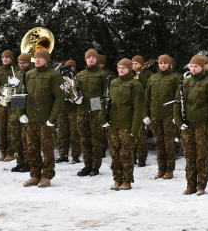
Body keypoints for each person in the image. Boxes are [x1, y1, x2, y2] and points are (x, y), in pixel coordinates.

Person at [175, 54, 208, 195]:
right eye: (191, 66)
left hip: (202, 125)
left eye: (196, 66)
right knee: (189, 157)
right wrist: (179, 122)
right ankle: (191, 185)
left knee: (201, 157)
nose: (193, 69)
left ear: (202, 67)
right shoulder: (185, 82)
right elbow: (177, 104)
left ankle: (201, 185)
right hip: (187, 125)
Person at [21, 48, 64, 188]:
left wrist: (52, 118)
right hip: (31, 118)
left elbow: (59, 98)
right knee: (32, 148)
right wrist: (20, 113)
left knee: (47, 148)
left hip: (46, 119)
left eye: (41, 58)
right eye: (36, 57)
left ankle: (46, 175)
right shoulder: (28, 74)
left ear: (47, 60)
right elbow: (21, 95)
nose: (37, 60)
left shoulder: (53, 75)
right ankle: (34, 174)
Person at [103, 58, 145, 190]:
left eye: (124, 68)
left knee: (126, 154)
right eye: (119, 67)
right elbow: (104, 100)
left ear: (129, 69)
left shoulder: (135, 84)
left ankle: (127, 180)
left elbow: (139, 108)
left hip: (127, 124)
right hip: (112, 124)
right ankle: (117, 179)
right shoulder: (113, 82)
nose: (121, 70)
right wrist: (102, 118)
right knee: (115, 154)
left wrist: (135, 128)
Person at [144, 55, 181, 180]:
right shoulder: (152, 79)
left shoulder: (175, 78)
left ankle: (169, 169)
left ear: (170, 64)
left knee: (169, 143)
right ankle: (161, 169)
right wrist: (146, 114)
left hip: (169, 115)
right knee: (159, 143)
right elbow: (147, 98)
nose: (163, 65)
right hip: (155, 115)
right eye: (160, 63)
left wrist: (177, 115)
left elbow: (178, 98)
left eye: (165, 63)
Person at [75, 49, 109, 177]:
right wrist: (76, 98)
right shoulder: (80, 75)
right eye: (88, 57)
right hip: (82, 110)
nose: (91, 59)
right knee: (85, 140)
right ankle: (87, 165)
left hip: (96, 111)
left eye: (93, 57)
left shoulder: (103, 74)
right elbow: (74, 90)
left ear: (97, 59)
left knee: (96, 140)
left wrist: (102, 107)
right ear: (85, 59)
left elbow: (106, 93)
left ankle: (95, 166)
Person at [8, 53, 32, 172]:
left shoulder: (31, 74)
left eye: (24, 63)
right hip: (16, 104)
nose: (22, 65)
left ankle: (28, 162)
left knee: (26, 137)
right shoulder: (17, 74)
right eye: (20, 63)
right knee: (15, 136)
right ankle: (20, 161)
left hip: (27, 106)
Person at [0, 50, 17, 161]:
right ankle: (3, 151)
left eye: (7, 57)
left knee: (12, 127)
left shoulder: (16, 70)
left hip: (13, 102)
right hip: (1, 102)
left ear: (11, 58)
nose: (5, 59)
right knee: (1, 127)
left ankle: (11, 152)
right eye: (3, 57)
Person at [56, 60, 81, 164]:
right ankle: (63, 155)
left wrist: (71, 96)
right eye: (67, 67)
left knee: (75, 133)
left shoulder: (77, 77)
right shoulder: (60, 78)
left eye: (71, 67)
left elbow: (78, 91)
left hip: (73, 110)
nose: (70, 69)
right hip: (62, 109)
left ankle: (75, 155)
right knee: (63, 133)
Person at [131, 56, 153, 167]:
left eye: (136, 64)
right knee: (131, 136)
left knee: (141, 137)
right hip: (131, 108)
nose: (134, 66)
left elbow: (148, 88)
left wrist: (139, 76)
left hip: (142, 106)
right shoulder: (129, 74)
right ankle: (132, 157)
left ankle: (142, 158)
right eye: (133, 64)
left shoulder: (148, 75)